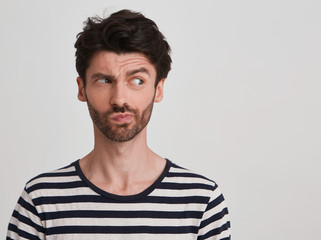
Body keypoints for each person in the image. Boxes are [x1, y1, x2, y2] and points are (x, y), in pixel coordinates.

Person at [7, 9, 231, 240]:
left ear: (159, 89)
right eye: (104, 80)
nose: (120, 98)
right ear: (82, 88)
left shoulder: (201, 201)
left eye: (137, 81)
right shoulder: (41, 200)